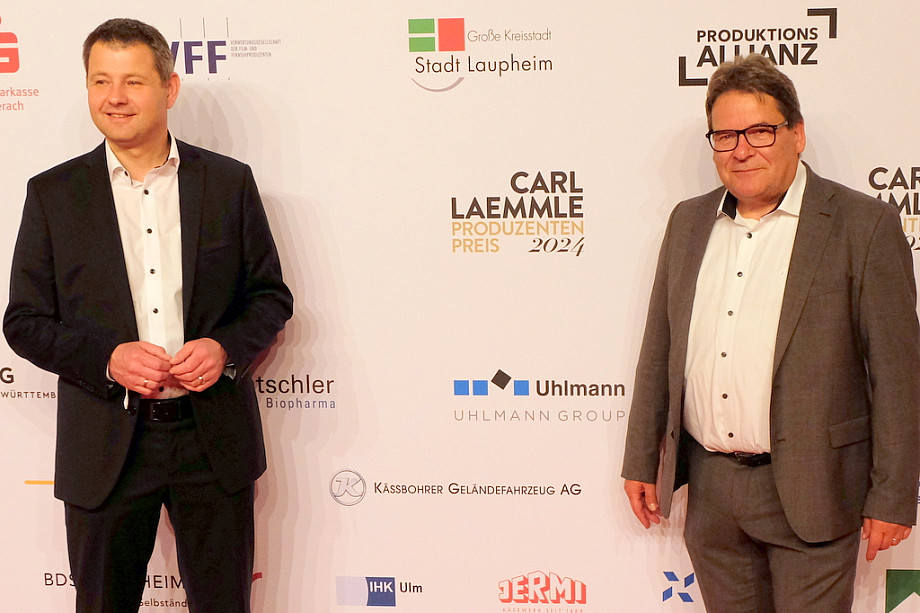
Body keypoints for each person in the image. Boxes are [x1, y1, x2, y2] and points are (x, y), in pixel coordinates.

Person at [3, 18, 293, 613]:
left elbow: (270, 297)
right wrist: (107, 360)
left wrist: (224, 349)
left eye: (133, 81)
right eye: (100, 81)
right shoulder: (53, 194)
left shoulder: (228, 182)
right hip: (104, 445)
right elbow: (24, 320)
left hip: (211, 441)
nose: (114, 97)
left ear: (169, 87)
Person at [621, 53, 920, 612]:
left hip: (816, 488)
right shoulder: (687, 222)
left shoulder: (863, 225)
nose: (742, 150)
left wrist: (894, 495)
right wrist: (642, 458)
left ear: (797, 134)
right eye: (725, 136)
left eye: (760, 131)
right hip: (712, 492)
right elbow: (659, 350)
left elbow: (899, 377)